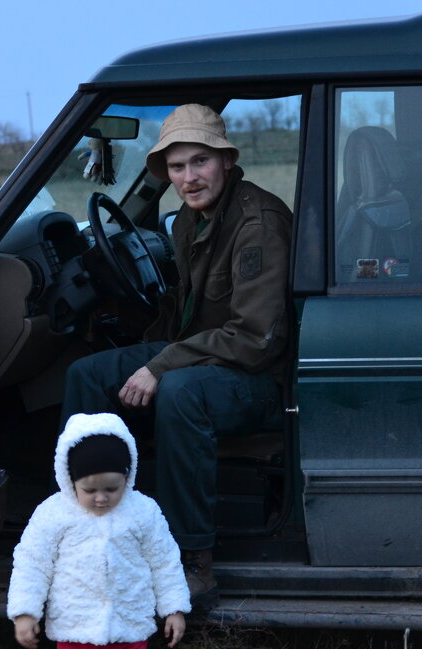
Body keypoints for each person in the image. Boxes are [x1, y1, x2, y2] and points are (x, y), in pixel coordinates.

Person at [62, 103, 293, 609]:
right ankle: (87, 531)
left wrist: (158, 365)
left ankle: (191, 562)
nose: (189, 178)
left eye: (200, 162)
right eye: (176, 167)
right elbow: (181, 315)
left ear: (225, 161)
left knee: (181, 392)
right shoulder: (189, 221)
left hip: (257, 379)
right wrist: (141, 351)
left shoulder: (257, 224)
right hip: (206, 358)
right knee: (88, 374)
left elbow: (254, 338)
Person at [7, 412, 190, 649]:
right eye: (90, 490)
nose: (102, 497)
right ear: (69, 480)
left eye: (113, 487)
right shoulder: (54, 514)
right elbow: (32, 563)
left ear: (129, 476)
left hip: (128, 631)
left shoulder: (142, 512)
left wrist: (173, 607)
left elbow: (164, 560)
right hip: (75, 633)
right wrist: (25, 612)